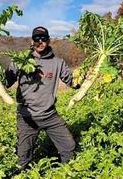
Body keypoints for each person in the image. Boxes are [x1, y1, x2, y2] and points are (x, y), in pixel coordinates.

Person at [5, 26, 79, 171]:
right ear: (32, 40)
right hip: (27, 117)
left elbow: (72, 81)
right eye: (37, 38)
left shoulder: (58, 62)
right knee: (23, 156)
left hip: (50, 115)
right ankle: (21, 177)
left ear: (48, 41)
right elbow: (6, 81)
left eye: (43, 38)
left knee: (69, 147)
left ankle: (68, 175)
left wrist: (85, 77)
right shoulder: (21, 60)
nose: (40, 41)